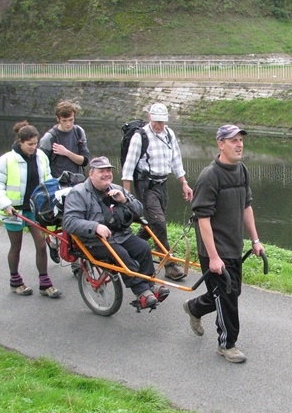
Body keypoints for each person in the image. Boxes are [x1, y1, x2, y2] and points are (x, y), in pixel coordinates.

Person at [183, 125, 264, 363]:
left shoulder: (242, 170)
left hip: (233, 244)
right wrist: (214, 256)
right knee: (227, 298)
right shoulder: (210, 177)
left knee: (230, 293)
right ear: (220, 144)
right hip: (215, 249)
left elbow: (246, 206)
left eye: (241, 140)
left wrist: (256, 240)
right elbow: (203, 219)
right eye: (233, 141)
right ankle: (227, 344)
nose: (239, 144)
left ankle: (195, 307)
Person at [62, 156, 169, 310]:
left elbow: (139, 211)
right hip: (94, 241)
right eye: (101, 171)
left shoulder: (115, 189)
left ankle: (150, 286)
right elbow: (69, 222)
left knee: (143, 247)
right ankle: (142, 292)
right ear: (91, 174)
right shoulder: (78, 193)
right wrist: (95, 227)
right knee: (122, 256)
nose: (106, 174)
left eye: (109, 170)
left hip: (120, 235)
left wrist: (125, 200)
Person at [0, 120, 62, 298]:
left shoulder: (41, 157)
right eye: (30, 144)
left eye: (35, 144)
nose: (33, 147)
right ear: (20, 142)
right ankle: (15, 281)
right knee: (16, 246)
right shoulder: (6, 160)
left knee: (41, 245)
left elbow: (48, 180)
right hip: (13, 211)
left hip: (34, 209)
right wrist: (5, 204)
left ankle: (45, 283)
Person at [121, 102, 193, 281]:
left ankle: (130, 249)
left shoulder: (169, 134)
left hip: (162, 185)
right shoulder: (140, 136)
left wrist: (184, 183)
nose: (159, 125)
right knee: (159, 222)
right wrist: (126, 197)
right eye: (156, 121)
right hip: (146, 185)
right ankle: (169, 265)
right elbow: (128, 168)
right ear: (149, 117)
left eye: (162, 121)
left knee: (151, 224)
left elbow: (176, 160)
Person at [39, 100, 91, 265]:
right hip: (58, 187)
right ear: (58, 119)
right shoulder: (49, 138)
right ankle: (60, 248)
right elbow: (41, 163)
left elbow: (85, 161)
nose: (69, 124)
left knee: (80, 219)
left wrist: (67, 153)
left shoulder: (78, 132)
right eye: (65, 121)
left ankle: (75, 258)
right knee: (67, 221)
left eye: (71, 120)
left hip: (78, 184)